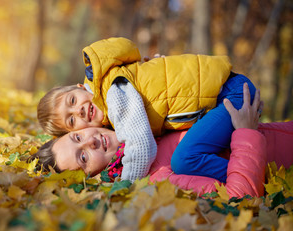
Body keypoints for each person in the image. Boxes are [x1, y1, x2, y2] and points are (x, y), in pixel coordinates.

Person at [38, 37, 257, 183]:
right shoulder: (110, 95)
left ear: (80, 87)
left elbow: (142, 146)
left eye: (73, 101)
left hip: (230, 94)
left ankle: (253, 176)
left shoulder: (114, 94)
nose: (80, 111)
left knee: (185, 158)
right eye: (72, 120)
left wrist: (127, 186)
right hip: (223, 94)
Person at [32, 84, 293, 197]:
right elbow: (240, 196)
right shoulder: (158, 180)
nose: (89, 142)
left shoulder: (139, 123)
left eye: (77, 136)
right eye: (83, 157)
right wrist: (245, 133)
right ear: (93, 176)